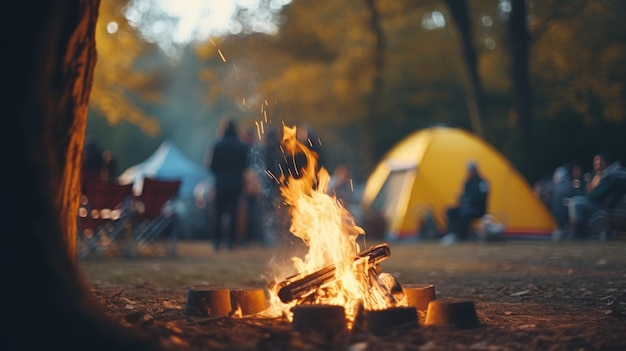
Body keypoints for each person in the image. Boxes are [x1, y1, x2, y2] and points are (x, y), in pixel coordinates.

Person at [206, 119, 250, 251]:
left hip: (220, 184)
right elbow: (245, 166)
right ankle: (231, 242)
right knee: (234, 213)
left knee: (218, 212)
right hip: (236, 184)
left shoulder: (217, 145)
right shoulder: (242, 146)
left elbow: (211, 166)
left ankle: (217, 241)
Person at [565, 153, 626, 239]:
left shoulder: (612, 175)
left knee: (576, 202)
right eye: (596, 164)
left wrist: (593, 188)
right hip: (614, 207)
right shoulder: (618, 172)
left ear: (607, 163)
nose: (598, 166)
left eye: (600, 163)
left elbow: (595, 196)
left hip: (610, 210)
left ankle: (578, 233)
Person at [440, 161, 489, 245]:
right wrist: (460, 198)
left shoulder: (482, 182)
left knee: (465, 213)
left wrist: (468, 199)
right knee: (450, 211)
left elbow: (482, 198)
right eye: (468, 170)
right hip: (467, 207)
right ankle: (451, 234)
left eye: (471, 170)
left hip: (478, 209)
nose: (469, 172)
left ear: (475, 170)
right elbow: (464, 197)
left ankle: (462, 235)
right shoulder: (467, 183)